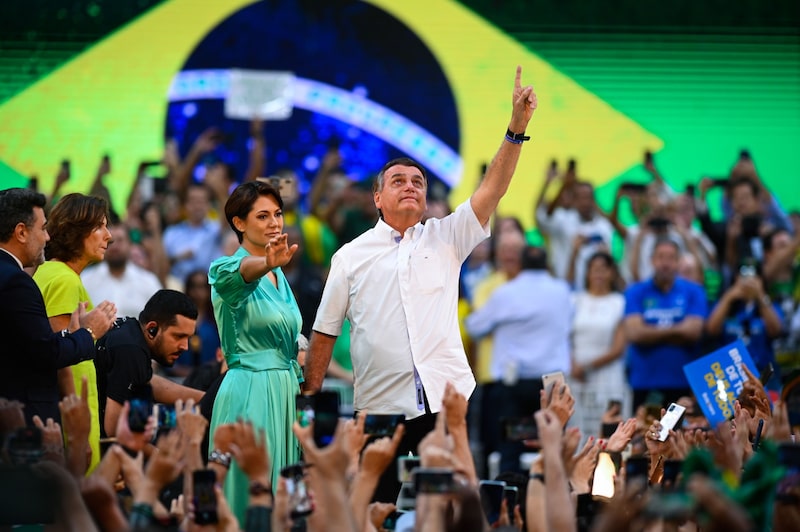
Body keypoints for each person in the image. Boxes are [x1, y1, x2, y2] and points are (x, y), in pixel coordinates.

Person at [305, 66, 538, 500]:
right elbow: (324, 332)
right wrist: (310, 395)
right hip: (378, 405)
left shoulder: (446, 236)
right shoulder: (349, 256)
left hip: (443, 402)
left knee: (451, 510)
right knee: (374, 507)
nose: (410, 187)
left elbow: (493, 190)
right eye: (398, 181)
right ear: (377, 198)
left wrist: (515, 130)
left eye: (418, 182)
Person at [208, 180, 304, 523]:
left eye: (277, 214)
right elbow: (240, 277)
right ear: (239, 223)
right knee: (250, 493)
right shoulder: (226, 267)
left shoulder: (278, 270)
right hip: (251, 392)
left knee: (284, 502)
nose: (275, 223)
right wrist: (264, 262)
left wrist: (301, 351)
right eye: (262, 216)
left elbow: (289, 333)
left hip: (286, 392)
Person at [0, 188, 116, 425]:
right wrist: (90, 332)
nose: (109, 235)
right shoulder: (56, 278)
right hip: (42, 420)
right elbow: (54, 357)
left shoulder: (42, 272)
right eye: (99, 226)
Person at [465, 245, 572, 472]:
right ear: (546, 264)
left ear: (521, 264)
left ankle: (510, 500)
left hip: (516, 384)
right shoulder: (562, 291)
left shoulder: (506, 293)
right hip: (553, 383)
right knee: (552, 444)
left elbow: (475, 326)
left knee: (512, 446)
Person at [33, 192, 113, 472]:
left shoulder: (50, 272)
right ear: (75, 231)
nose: (109, 235)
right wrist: (77, 435)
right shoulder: (64, 279)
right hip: (72, 415)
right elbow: (61, 357)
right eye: (100, 226)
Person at [96, 289, 205, 436]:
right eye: (178, 336)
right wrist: (165, 457)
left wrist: (208, 398)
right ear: (152, 329)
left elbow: (148, 382)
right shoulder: (130, 350)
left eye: (188, 338)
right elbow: (115, 431)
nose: (185, 346)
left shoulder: (131, 333)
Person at [623, 238, 708, 409]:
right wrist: (677, 331)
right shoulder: (635, 291)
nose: (665, 263)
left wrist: (651, 332)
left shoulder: (694, 291)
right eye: (660, 257)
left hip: (685, 382)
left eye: (671, 258)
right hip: (645, 382)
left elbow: (693, 332)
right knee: (646, 434)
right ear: (652, 261)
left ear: (678, 262)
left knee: (684, 435)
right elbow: (635, 333)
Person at [568, 251, 629, 438]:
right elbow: (564, 339)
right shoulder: (574, 301)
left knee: (608, 434)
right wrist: (574, 365)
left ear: (612, 273)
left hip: (608, 377)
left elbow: (619, 348)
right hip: (577, 377)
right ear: (587, 273)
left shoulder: (620, 302)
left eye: (604, 270)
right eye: (595, 270)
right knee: (579, 433)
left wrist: (587, 366)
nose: (599, 275)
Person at [81, 222, 163, 319]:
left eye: (120, 241)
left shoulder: (148, 282)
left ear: (130, 244)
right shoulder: (85, 280)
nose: (115, 247)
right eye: (110, 242)